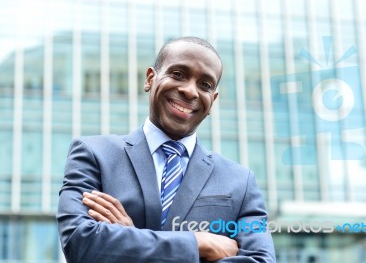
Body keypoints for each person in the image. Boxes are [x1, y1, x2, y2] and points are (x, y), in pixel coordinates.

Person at [57, 36, 276, 262]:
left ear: (213, 100)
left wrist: (131, 240)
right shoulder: (94, 155)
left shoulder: (241, 182)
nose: (190, 91)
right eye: (178, 74)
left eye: (205, 85)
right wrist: (198, 243)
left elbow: (261, 260)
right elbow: (79, 242)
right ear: (150, 79)